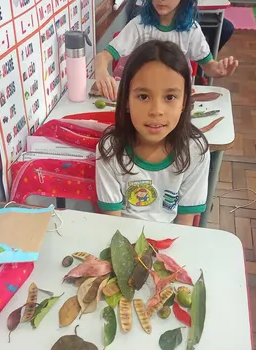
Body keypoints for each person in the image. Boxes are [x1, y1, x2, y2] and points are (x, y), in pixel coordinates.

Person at [95, 40, 210, 225]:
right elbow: (113, 226)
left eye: (170, 97)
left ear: (184, 103)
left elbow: (185, 225)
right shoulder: (110, 150)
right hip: (123, 239)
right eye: (143, 96)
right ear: (125, 101)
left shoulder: (196, 150)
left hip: (170, 241)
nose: (156, 110)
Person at [94, 0, 238, 101]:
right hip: (144, 95)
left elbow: (209, 67)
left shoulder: (191, 30)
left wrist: (219, 70)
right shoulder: (139, 26)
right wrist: (102, 73)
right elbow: (103, 56)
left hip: (174, 97)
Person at [130, 0, 234, 54]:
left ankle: (200, 69)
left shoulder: (192, 29)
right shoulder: (138, 24)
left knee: (226, 28)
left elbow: (210, 65)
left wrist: (213, 67)